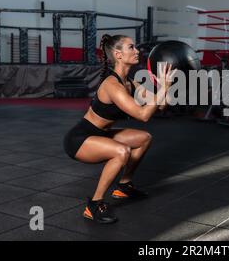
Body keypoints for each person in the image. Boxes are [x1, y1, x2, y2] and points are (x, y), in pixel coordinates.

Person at [63, 34, 174, 224]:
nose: (137, 51)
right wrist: (163, 89)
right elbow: (143, 115)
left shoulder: (130, 82)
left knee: (143, 138)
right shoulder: (112, 85)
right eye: (131, 47)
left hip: (102, 134)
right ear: (118, 54)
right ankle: (94, 204)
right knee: (122, 152)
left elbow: (162, 105)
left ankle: (124, 186)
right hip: (80, 140)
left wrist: (165, 86)